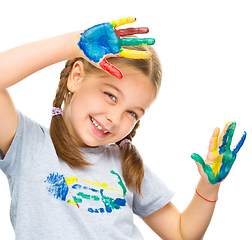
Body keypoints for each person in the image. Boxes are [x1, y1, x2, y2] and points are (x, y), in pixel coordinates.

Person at [0, 17, 246, 240]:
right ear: (76, 77)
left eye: (132, 113)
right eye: (111, 95)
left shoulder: (125, 163)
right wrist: (73, 43)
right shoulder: (27, 145)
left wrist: (208, 186)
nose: (114, 119)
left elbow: (181, 234)